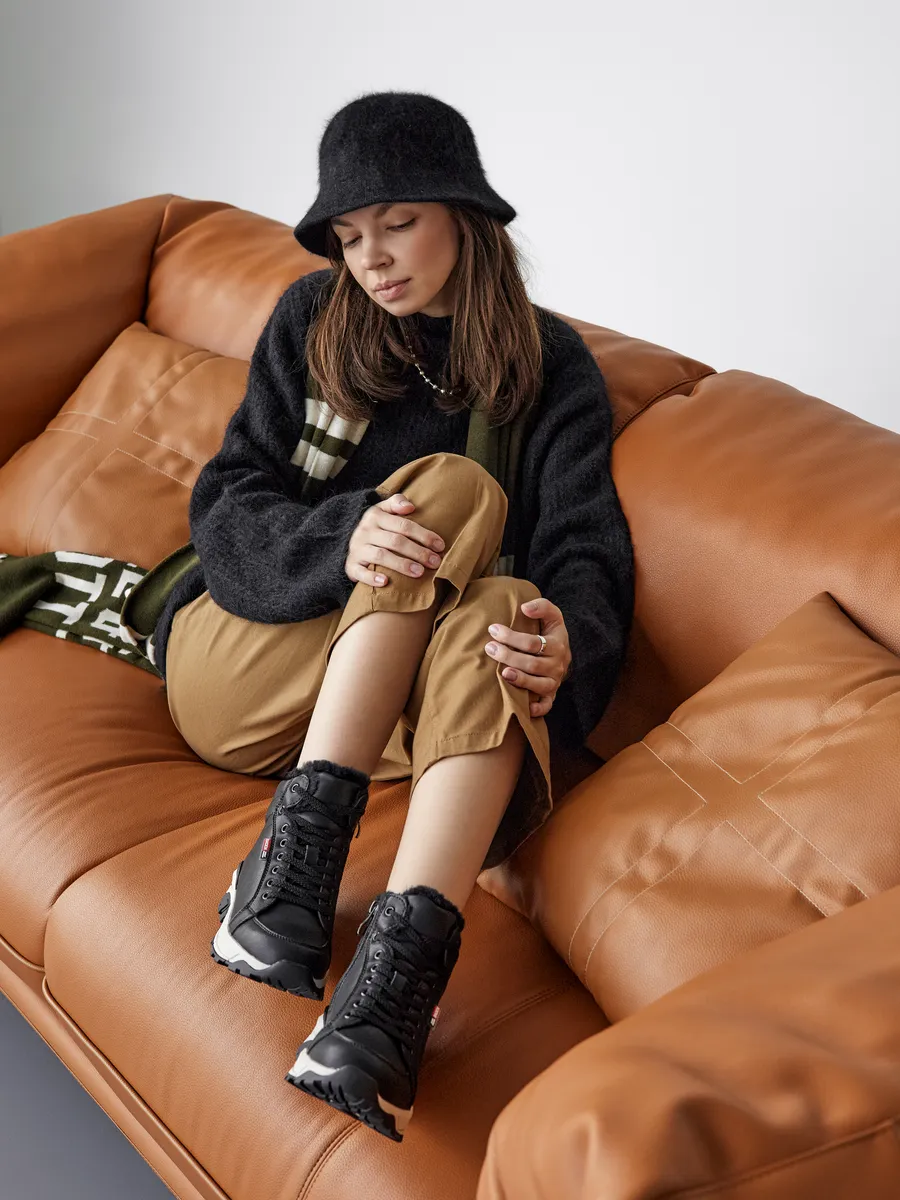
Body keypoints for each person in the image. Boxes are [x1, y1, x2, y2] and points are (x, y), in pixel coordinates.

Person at [155, 91, 635, 1142]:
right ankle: (289, 866)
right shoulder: (310, 320)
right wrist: (344, 540)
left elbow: (586, 554)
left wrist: (571, 643)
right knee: (453, 493)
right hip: (248, 667)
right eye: (350, 235)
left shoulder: (550, 367)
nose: (370, 258)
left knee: (511, 607)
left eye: (398, 223)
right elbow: (225, 506)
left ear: (466, 215)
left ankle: (383, 1006)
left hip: (406, 718)